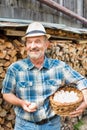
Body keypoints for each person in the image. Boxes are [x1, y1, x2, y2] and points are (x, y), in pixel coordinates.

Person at [1, 22, 87, 130]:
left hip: (51, 125)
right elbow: (6, 93)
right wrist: (21, 103)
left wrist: (85, 102)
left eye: (38, 41)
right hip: (24, 125)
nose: (33, 46)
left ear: (47, 44)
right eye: (29, 42)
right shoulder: (15, 69)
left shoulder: (59, 67)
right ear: (26, 46)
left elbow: (81, 80)